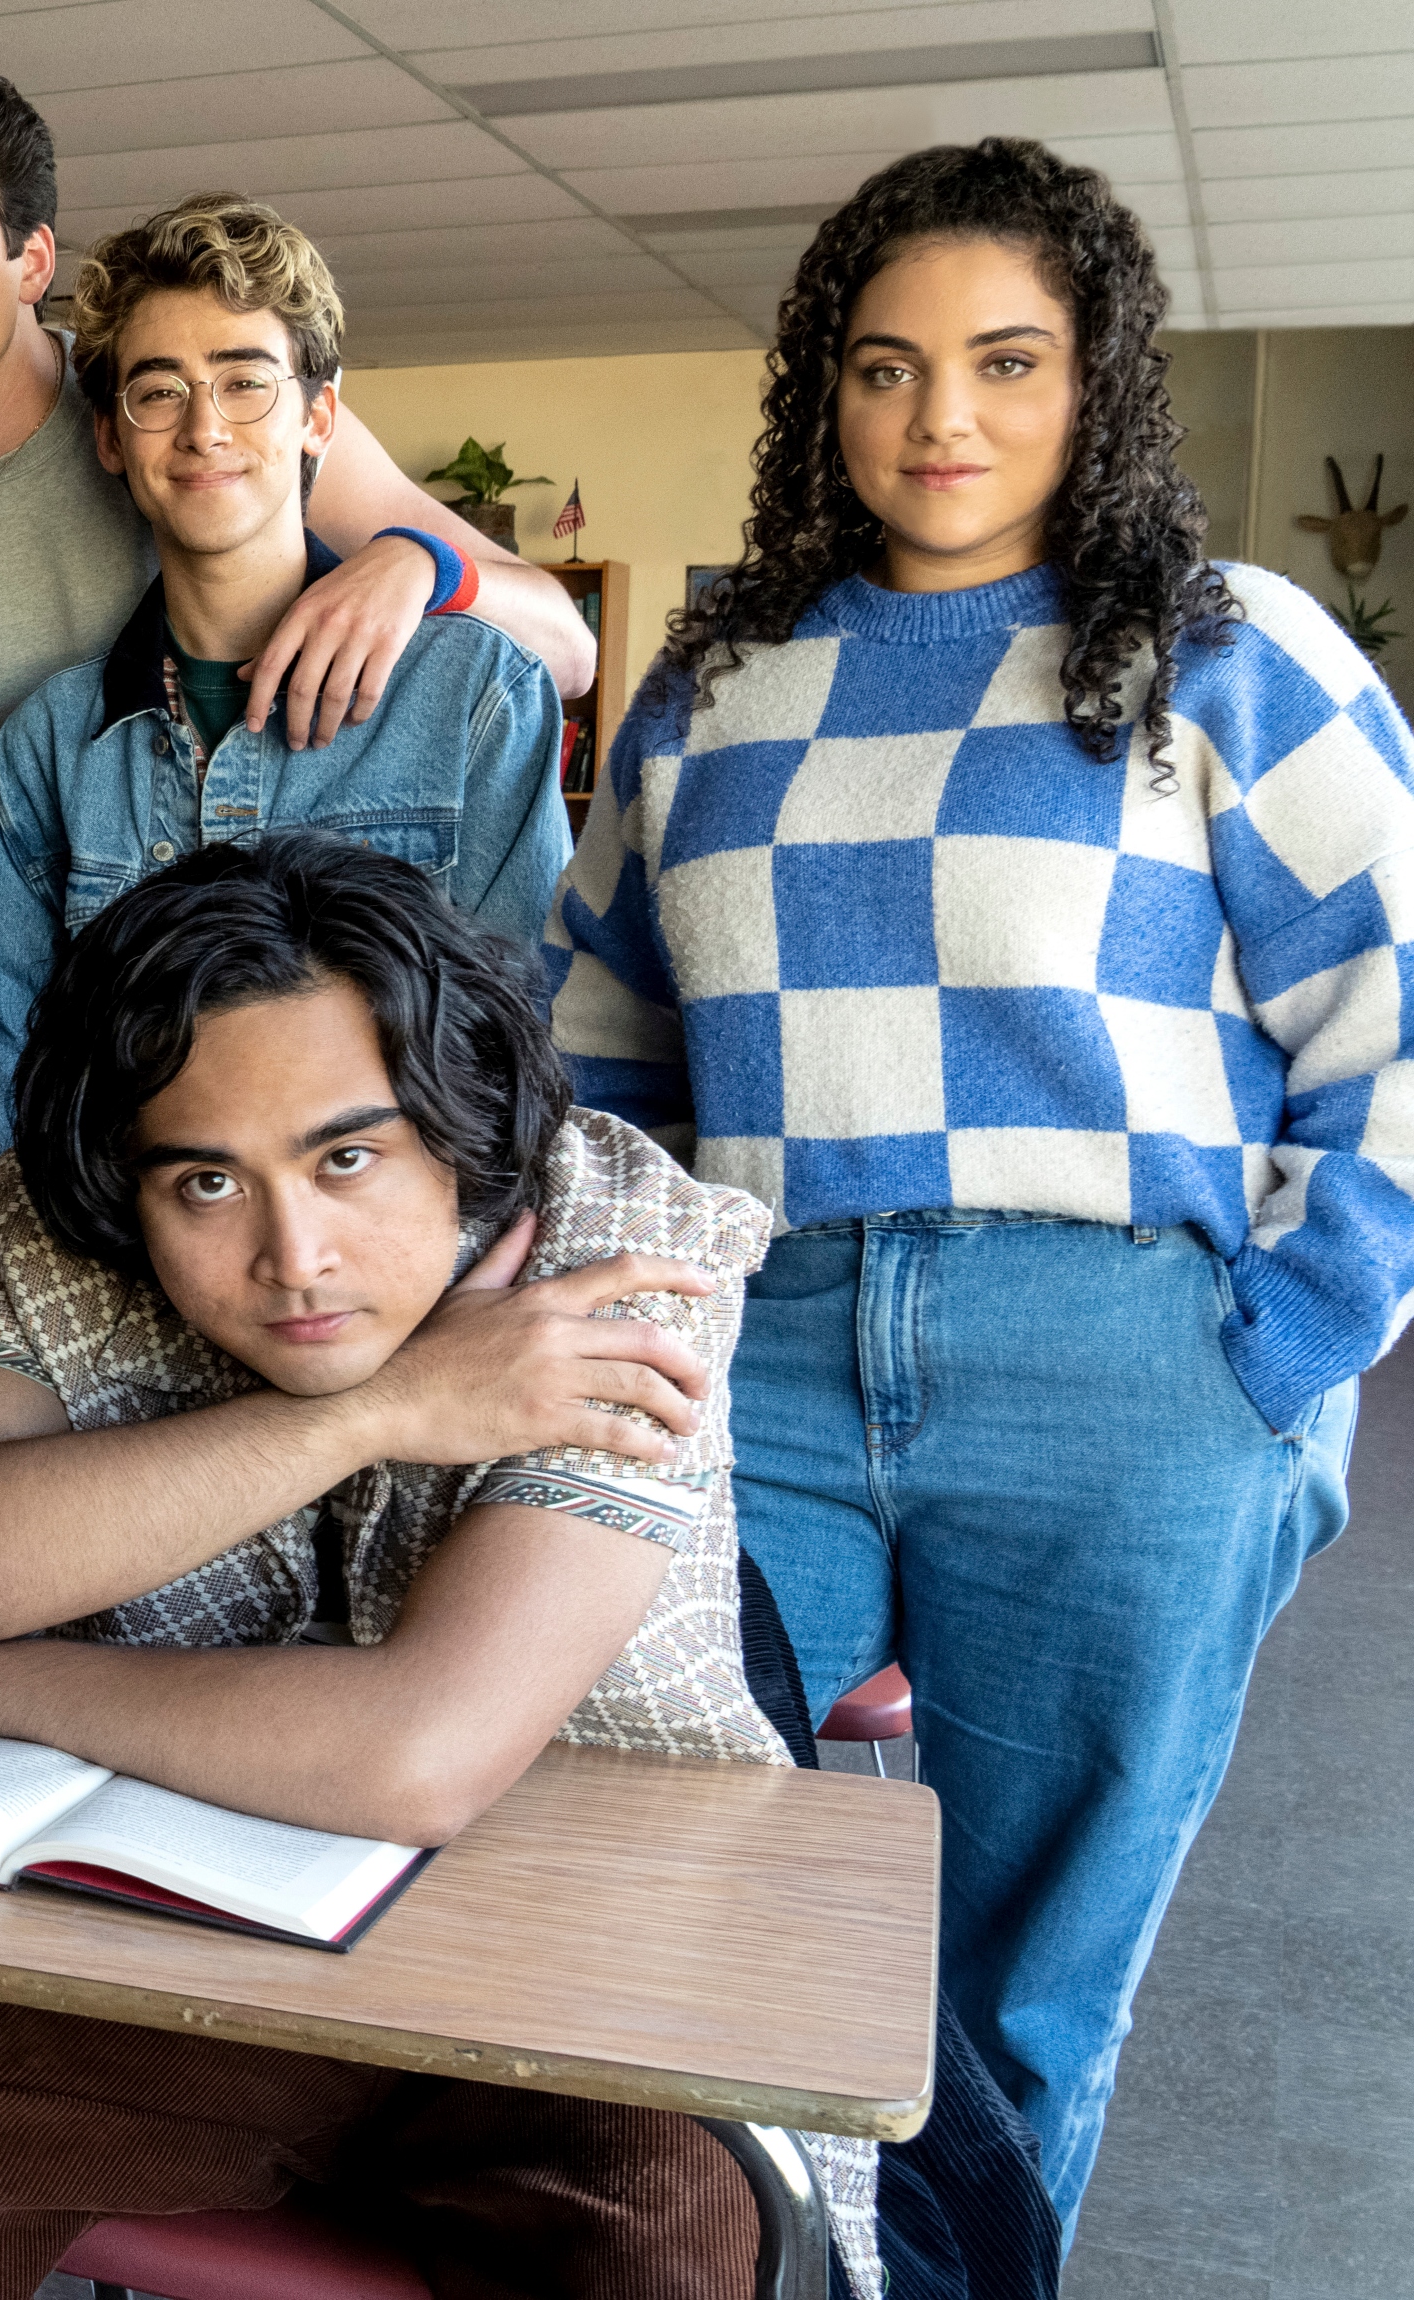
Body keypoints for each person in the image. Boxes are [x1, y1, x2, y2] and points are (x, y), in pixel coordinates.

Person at [541, 137, 1414, 2233]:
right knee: (650, 1871)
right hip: (753, 1357)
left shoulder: (1225, 650)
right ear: (821, 393)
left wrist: (1273, 1349)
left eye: (1006, 361)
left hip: (1118, 1370)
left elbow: (1391, 1014)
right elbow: (597, 1044)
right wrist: (611, 1303)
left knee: (1017, 1992)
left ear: (1094, 381)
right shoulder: (714, 677)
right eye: (885, 365)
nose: (940, 416)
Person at [0, 832, 881, 2299]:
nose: (293, 1256)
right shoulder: (91, 1222)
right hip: (195, 1916)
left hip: (598, 1952)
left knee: (681, 2252)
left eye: (348, 1159)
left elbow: (418, 1755)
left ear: (459, 1122)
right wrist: (374, 1411)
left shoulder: (618, 1245)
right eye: (209, 1183)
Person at [0, 52, 596, 1379]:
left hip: (375, 1208)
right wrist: (33, 867)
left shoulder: (225, 398)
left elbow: (557, 650)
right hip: (30, 988)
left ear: (30, 257)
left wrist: (418, 562)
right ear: (118, 431)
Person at [0, 193, 570, 1202]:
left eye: (244, 382)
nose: (203, 429)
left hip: (417, 1266)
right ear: (109, 437)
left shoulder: (473, 698)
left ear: (316, 416)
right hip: (123, 1265)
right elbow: (9, 1104)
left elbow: (525, 1055)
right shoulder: (47, 749)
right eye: (158, 391)